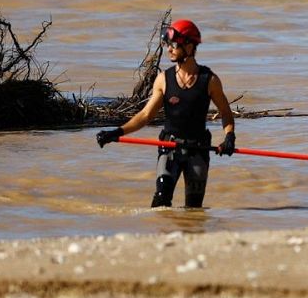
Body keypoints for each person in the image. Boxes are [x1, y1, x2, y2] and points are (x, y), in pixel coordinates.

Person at [96, 18, 237, 207]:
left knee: (194, 210)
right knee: (161, 200)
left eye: (174, 45)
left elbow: (226, 114)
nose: (169, 49)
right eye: (168, 44)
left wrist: (229, 137)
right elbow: (145, 116)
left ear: (189, 46)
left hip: (198, 149)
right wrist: (117, 132)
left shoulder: (210, 80)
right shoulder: (163, 79)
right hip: (169, 147)